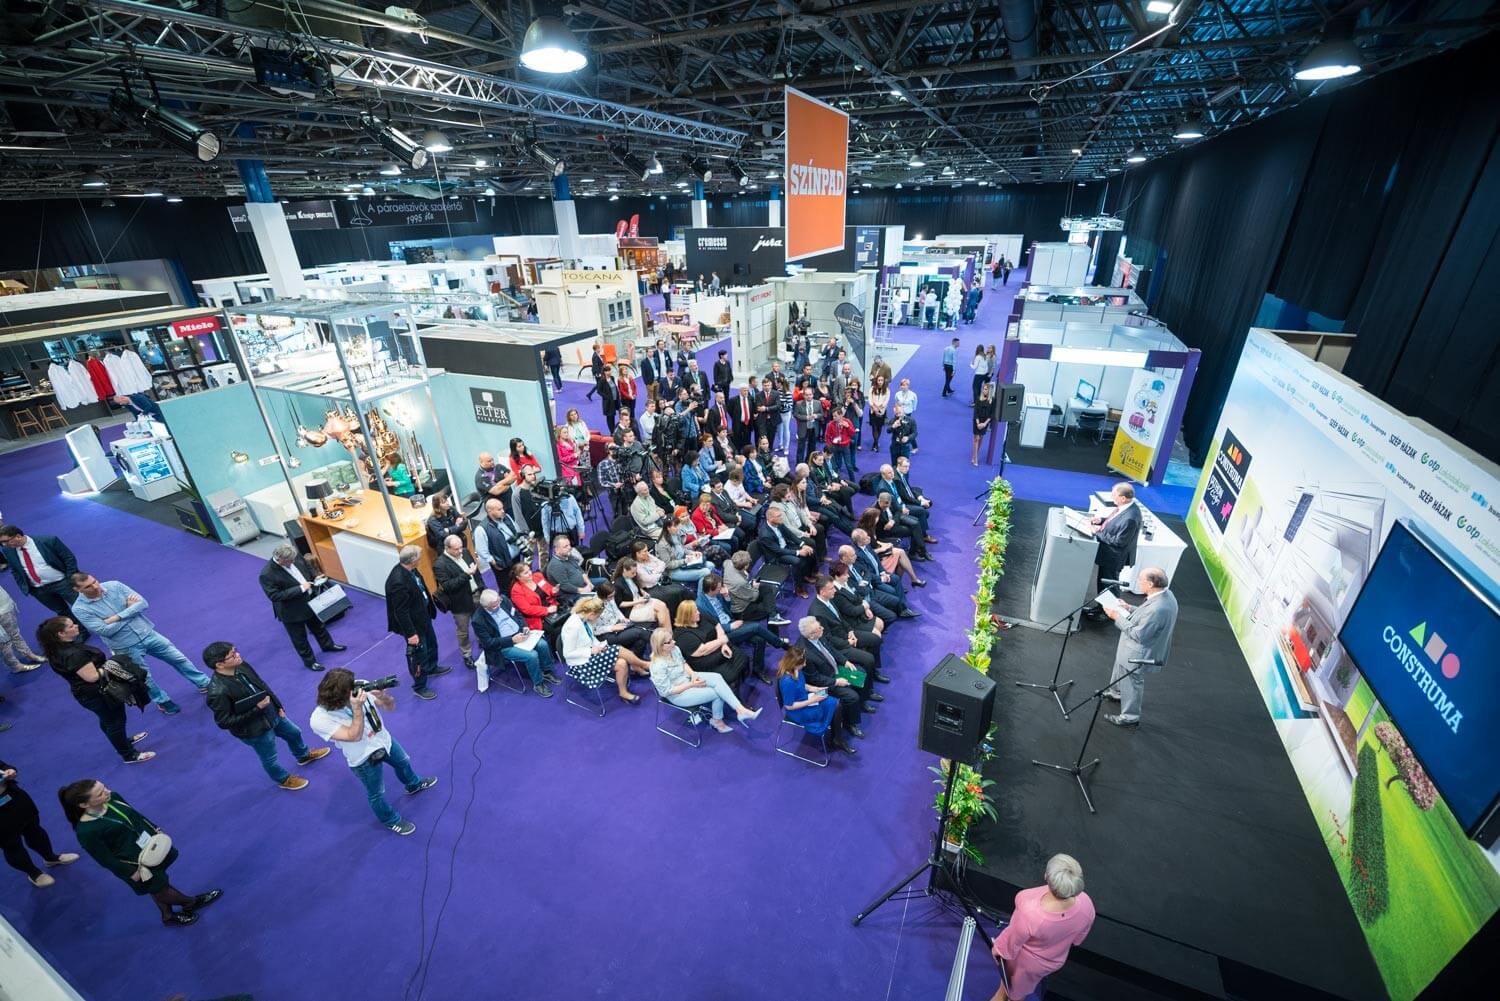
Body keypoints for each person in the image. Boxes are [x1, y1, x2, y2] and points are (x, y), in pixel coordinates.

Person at [58, 781, 221, 925]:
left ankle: (167, 915)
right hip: (134, 864)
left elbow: (136, 816)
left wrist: (155, 829)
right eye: (100, 793)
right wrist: (131, 872)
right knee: (159, 888)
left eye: (104, 787)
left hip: (150, 848)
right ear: (83, 804)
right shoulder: (86, 831)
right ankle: (190, 902)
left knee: (157, 886)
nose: (107, 791)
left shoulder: (113, 798)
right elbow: (105, 859)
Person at [308, 669, 437, 835]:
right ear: (339, 696)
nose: (356, 687)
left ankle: (413, 784)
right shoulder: (319, 719)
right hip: (363, 757)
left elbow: (390, 706)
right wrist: (357, 708)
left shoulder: (359, 687)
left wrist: (383, 696)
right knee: (377, 793)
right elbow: (353, 736)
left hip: (384, 740)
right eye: (350, 688)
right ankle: (390, 820)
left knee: (403, 762)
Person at [70, 573, 212, 713]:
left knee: (179, 659)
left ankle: (204, 683)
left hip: (148, 633)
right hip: (124, 646)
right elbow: (104, 630)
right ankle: (162, 701)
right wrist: (130, 611)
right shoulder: (80, 609)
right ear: (77, 590)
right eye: (88, 586)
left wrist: (116, 618)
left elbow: (143, 603)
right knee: (144, 677)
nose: (95, 586)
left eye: (95, 581)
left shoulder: (115, 585)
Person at [203, 641, 330, 790]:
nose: (238, 655)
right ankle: (283, 779)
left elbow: (262, 685)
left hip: (272, 713)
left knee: (294, 733)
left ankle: (303, 755)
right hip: (254, 730)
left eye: (236, 650)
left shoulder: (241, 665)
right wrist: (257, 709)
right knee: (270, 758)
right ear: (219, 664)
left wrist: (278, 705)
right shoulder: (217, 692)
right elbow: (224, 722)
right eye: (232, 655)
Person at [38, 616, 155, 763]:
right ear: (61, 634)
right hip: (99, 694)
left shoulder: (56, 650)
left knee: (107, 720)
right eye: (71, 626)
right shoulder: (74, 654)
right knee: (115, 722)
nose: (76, 626)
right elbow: (92, 677)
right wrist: (112, 665)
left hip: (86, 694)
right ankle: (128, 754)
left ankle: (122, 742)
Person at [990, 854, 1096, 1001]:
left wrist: (998, 951)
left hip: (1026, 964)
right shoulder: (1086, 904)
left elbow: (1011, 942)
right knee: (1014, 987)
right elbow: (1078, 939)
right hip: (1053, 960)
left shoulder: (1029, 910)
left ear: (1046, 876)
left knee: (1014, 993)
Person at [1103, 568, 1178, 726]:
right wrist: (1129, 607)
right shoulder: (1166, 595)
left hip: (1138, 652)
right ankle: (1116, 693)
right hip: (1131, 649)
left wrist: (1116, 617)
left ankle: (1130, 717)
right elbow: (1146, 615)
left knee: (1132, 681)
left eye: (1140, 579)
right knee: (1120, 669)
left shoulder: (1159, 608)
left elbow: (1139, 635)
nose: (1138, 581)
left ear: (1150, 584)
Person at [648, 628, 760, 734]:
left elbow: (683, 663)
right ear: (661, 646)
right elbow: (666, 691)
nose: (674, 641)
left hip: (687, 678)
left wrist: (693, 674)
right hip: (677, 694)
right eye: (670, 641)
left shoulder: (674, 649)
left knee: (717, 677)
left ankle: (740, 710)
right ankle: (717, 721)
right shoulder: (657, 666)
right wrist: (691, 685)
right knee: (717, 693)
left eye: (672, 638)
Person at [259, 543, 346, 671]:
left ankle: (328, 645)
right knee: (300, 639)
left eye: (293, 559)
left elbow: (307, 566)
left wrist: (315, 575)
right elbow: (275, 595)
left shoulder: (295, 556)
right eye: (289, 561)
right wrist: (300, 588)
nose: (293, 562)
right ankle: (310, 662)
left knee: (319, 627)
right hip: (291, 611)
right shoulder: (267, 574)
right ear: (279, 559)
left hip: (310, 601)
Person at [384, 545, 449, 701]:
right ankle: (419, 687)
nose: (420, 560)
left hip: (423, 617)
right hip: (413, 626)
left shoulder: (411, 570)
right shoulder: (398, 581)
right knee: (419, 657)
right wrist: (411, 634)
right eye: (418, 558)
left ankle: (431, 668)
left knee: (432, 644)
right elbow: (401, 612)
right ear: (412, 560)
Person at [0, 758, 77, 887]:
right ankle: (34, 873)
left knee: (34, 830)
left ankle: (51, 858)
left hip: (13, 796)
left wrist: (9, 770)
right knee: (11, 845)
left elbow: (2, 765)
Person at [0, 525, 88, 636]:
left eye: (6, 541)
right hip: (39, 590)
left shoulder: (48, 540)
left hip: (62, 583)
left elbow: (68, 558)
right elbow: (15, 570)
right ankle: (81, 632)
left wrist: (70, 578)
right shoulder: (8, 551)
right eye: (1, 543)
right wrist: (25, 586)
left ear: (18, 536)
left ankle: (98, 625)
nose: (4, 545)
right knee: (62, 612)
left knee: (80, 606)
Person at [698, 574, 786, 681]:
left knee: (760, 640)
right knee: (756, 627)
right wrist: (730, 626)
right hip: (724, 633)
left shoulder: (718, 594)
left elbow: (727, 610)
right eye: (718, 588)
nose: (721, 590)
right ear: (711, 590)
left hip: (731, 621)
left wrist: (726, 597)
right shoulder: (701, 606)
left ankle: (757, 670)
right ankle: (782, 645)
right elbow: (712, 627)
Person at [473, 589, 560, 697]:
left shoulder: (503, 599)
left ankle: (547, 671)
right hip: (504, 645)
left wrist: (524, 626)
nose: (499, 605)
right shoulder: (478, 620)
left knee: (543, 644)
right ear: (486, 607)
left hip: (520, 634)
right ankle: (538, 684)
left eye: (499, 601)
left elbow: (517, 614)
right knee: (532, 656)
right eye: (495, 605)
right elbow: (488, 643)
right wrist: (512, 640)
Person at [795, 615, 866, 740]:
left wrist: (845, 661)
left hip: (833, 669)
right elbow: (815, 679)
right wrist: (836, 681)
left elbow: (831, 650)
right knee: (852, 696)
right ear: (811, 635)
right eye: (819, 628)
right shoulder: (805, 654)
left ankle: (860, 704)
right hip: (823, 684)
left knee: (860, 672)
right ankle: (850, 724)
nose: (822, 628)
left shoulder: (818, 636)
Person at [560, 597, 642, 705]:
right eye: (598, 616)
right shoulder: (573, 626)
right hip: (581, 664)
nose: (598, 618)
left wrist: (599, 645)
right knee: (617, 649)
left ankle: (623, 692)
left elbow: (590, 637)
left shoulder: (583, 619)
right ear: (591, 614)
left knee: (621, 663)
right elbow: (567, 654)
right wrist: (590, 651)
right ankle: (644, 664)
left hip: (590, 655)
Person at [808, 575, 885, 682]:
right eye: (831, 588)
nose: (835, 590)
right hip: (839, 646)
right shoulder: (817, 613)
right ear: (822, 592)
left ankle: (873, 671)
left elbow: (840, 618)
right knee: (869, 659)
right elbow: (827, 640)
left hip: (846, 633)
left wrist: (850, 630)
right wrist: (847, 642)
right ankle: (868, 686)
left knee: (876, 639)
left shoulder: (829, 599)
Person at [776, 646, 852, 754]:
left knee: (835, 703)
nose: (805, 664)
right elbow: (789, 706)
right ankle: (837, 737)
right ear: (794, 664)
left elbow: (801, 685)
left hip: (805, 698)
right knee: (834, 707)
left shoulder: (795, 670)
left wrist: (814, 689)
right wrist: (812, 701)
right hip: (798, 711)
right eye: (803, 663)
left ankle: (836, 737)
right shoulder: (787, 682)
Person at [1084, 483, 1143, 620]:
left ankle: (1108, 613)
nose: (1112, 497)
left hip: (1113, 557)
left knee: (1110, 585)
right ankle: (1101, 607)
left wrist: (1096, 531)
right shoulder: (1125, 508)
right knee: (1103, 583)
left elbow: (1119, 541)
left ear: (1123, 498)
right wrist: (1100, 520)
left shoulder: (1131, 517)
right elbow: (1115, 522)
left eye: (1114, 495)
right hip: (1108, 554)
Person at [433, 534, 485, 670]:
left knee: (480, 621)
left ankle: (483, 641)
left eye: (461, 547)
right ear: (447, 548)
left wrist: (482, 588)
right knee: (463, 631)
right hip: (460, 602)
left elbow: (476, 573)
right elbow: (448, 586)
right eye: (456, 549)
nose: (460, 551)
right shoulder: (440, 565)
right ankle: (467, 654)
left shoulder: (465, 552)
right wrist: (466, 574)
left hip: (476, 594)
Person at [672, 600, 748, 690]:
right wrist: (721, 641)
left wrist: (724, 645)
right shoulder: (682, 634)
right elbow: (702, 651)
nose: (698, 612)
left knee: (743, 657)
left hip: (719, 648)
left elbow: (718, 626)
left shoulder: (701, 617)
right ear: (687, 616)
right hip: (705, 661)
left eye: (697, 610)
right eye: (695, 612)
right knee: (730, 675)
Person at [758, 504, 816, 598]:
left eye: (781, 515)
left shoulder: (779, 523)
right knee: (797, 561)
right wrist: (798, 552)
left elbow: (790, 535)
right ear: (771, 518)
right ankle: (798, 588)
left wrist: (802, 544)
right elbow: (778, 551)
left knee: (809, 550)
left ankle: (806, 575)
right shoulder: (765, 534)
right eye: (778, 516)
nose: (781, 518)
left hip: (786, 546)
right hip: (776, 555)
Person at [723, 550, 786, 625]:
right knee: (769, 608)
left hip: (742, 594)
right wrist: (755, 587)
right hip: (742, 610)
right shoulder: (740, 582)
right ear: (745, 566)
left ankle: (773, 615)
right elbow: (754, 597)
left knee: (766, 589)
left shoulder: (728, 563)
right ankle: (773, 616)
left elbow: (725, 564)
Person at [0, 584, 44, 673]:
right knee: (4, 642)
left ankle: (29, 654)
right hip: (2, 610)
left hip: (5, 606)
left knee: (14, 634)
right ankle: (15, 666)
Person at [544, 534, 595, 602]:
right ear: (556, 550)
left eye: (569, 545)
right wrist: (583, 590)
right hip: (571, 594)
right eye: (566, 546)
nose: (569, 548)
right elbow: (565, 586)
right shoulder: (555, 565)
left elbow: (581, 571)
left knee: (604, 582)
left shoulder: (568, 556)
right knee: (595, 601)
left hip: (584, 585)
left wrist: (589, 583)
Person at [973, 382, 994, 465]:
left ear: (989, 391)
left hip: (985, 422)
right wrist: (978, 423)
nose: (984, 391)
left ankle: (975, 455)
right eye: (983, 389)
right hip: (976, 421)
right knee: (976, 438)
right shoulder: (978, 398)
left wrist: (985, 424)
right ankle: (975, 458)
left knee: (981, 438)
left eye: (986, 389)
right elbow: (975, 412)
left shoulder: (992, 400)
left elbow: (992, 414)